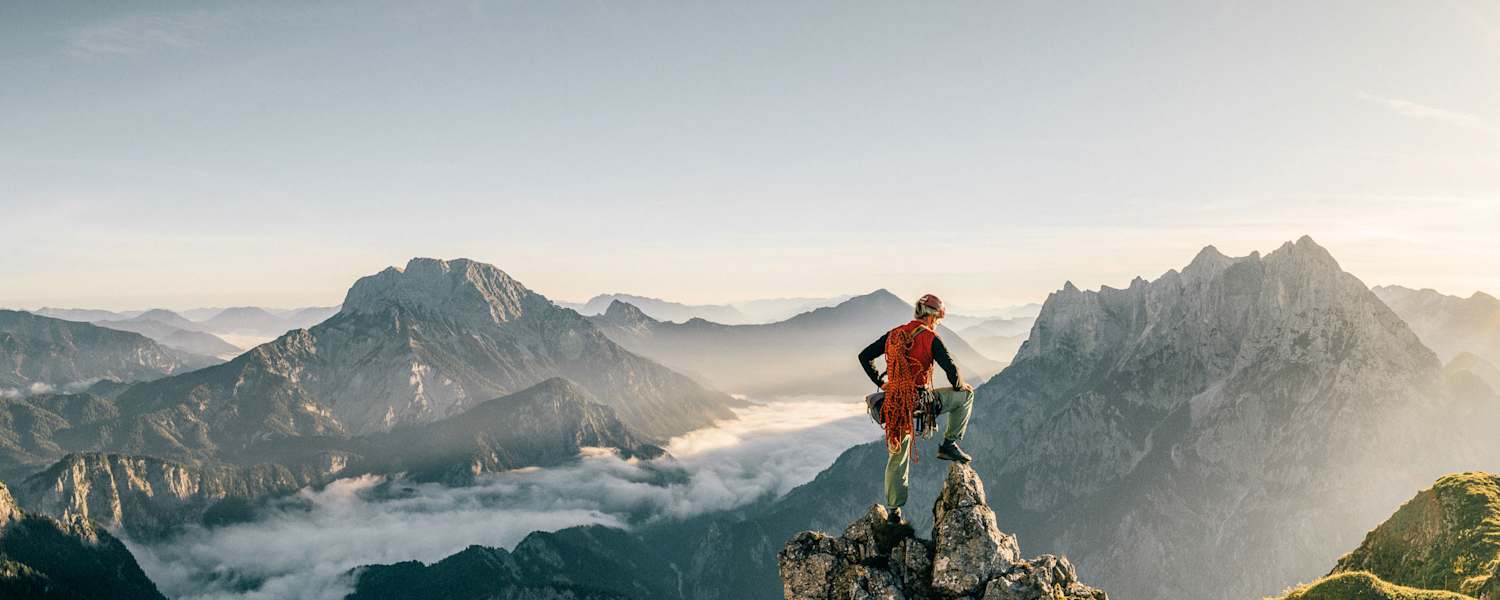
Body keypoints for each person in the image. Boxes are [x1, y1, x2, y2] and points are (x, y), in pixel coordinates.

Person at [857, 293, 974, 525]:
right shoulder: (931, 338)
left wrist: (881, 383)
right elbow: (951, 369)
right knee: (967, 396)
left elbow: (864, 356)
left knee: (898, 456)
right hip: (921, 403)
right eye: (938, 318)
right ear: (933, 316)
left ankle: (894, 512)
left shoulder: (895, 334)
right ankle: (949, 444)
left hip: (895, 405)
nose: (938, 322)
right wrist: (960, 385)